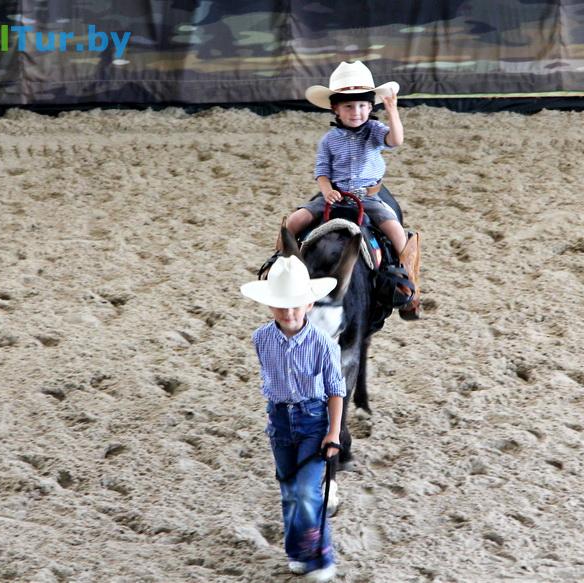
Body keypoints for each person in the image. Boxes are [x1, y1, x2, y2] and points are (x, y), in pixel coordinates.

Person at [284, 60, 422, 319]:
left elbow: (396, 140)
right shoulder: (329, 140)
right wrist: (326, 191)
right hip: (335, 197)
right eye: (349, 106)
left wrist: (393, 112)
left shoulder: (374, 131)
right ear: (336, 109)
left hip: (367, 197)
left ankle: (407, 284)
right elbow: (322, 170)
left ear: (370, 107)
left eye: (362, 105)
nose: (356, 111)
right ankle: (281, 269)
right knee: (294, 221)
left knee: (395, 230)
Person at [240, 255, 345, 583]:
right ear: (271, 306)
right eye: (282, 306)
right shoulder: (261, 339)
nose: (289, 313)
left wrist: (334, 433)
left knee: (306, 492)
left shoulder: (324, 345)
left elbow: (335, 390)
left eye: (296, 306)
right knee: (289, 491)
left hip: (314, 422)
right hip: (279, 423)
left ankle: (321, 556)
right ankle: (298, 552)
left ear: (309, 304)